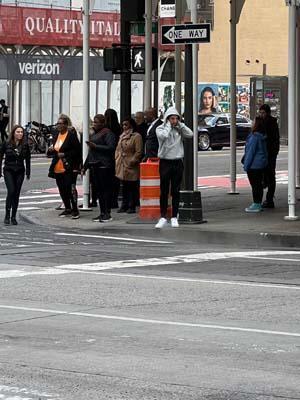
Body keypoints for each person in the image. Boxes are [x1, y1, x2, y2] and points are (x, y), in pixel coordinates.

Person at [155, 107, 193, 229]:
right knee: (164, 190)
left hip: (177, 162)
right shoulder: (160, 128)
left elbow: (190, 134)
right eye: (172, 118)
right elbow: (164, 137)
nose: (174, 120)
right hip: (165, 162)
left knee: (175, 191)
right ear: (167, 119)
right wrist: (168, 126)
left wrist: (180, 125)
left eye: (176, 118)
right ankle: (163, 216)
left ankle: (174, 216)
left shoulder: (179, 129)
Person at [83, 114, 116, 223]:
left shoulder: (108, 133)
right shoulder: (95, 134)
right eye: (94, 122)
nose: (94, 124)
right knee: (99, 191)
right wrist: (85, 166)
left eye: (96, 122)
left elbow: (111, 148)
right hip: (95, 164)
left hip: (104, 165)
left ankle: (107, 213)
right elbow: (91, 152)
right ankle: (102, 212)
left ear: (102, 123)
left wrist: (95, 146)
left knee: (106, 190)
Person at [48, 116, 81, 219]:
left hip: (69, 167)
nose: (59, 126)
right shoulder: (56, 135)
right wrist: (51, 150)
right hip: (57, 167)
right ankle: (67, 208)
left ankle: (75, 210)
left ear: (66, 125)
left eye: (61, 123)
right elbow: (54, 151)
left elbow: (77, 151)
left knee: (70, 188)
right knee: (62, 189)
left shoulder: (71, 136)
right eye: (58, 123)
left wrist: (65, 154)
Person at [0, 125, 31, 225]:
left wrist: (28, 172)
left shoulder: (25, 145)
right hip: (8, 170)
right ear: (13, 133)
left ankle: (13, 216)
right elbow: (0, 157)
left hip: (20, 171)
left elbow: (28, 159)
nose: (20, 134)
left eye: (21, 132)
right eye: (18, 132)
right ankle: (7, 215)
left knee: (17, 193)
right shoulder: (6, 143)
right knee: (11, 191)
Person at [115, 117, 143, 213]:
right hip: (122, 164)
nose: (124, 127)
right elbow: (118, 149)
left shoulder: (136, 136)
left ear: (131, 125)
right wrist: (117, 159)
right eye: (123, 125)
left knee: (132, 185)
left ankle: (132, 205)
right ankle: (124, 205)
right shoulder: (122, 136)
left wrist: (133, 160)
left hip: (131, 164)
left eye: (126, 124)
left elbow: (139, 151)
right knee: (124, 186)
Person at [242, 116, 268, 213]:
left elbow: (250, 152)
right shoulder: (262, 136)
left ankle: (256, 204)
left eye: (253, 122)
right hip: (260, 164)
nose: (251, 123)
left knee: (255, 185)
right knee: (259, 185)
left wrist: (246, 166)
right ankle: (258, 203)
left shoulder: (254, 137)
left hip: (254, 165)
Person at [259, 104, 280, 208]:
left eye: (263, 113)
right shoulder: (271, 122)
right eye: (261, 112)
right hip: (269, 153)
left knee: (269, 175)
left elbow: (273, 139)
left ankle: (269, 199)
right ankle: (269, 198)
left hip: (269, 153)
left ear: (267, 113)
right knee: (270, 175)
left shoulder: (268, 123)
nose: (262, 115)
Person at [104, 108, 121, 209]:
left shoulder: (106, 129)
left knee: (107, 181)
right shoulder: (118, 128)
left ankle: (109, 201)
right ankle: (114, 200)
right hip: (116, 155)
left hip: (108, 156)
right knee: (115, 180)